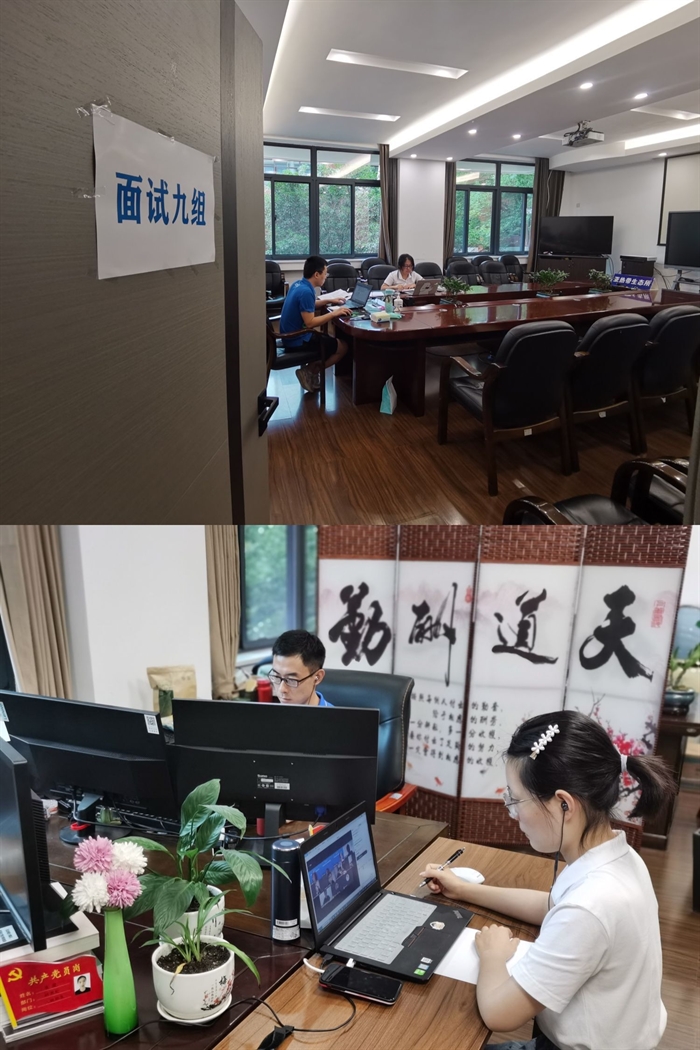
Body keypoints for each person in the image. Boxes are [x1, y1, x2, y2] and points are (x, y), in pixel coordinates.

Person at [419, 710, 675, 1050]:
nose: (513, 814)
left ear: (563, 804)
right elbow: (551, 905)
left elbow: (498, 1014)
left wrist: (494, 955)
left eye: (515, 799)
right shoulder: (616, 857)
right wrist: (465, 890)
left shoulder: (592, 904)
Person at [279, 256, 351, 392]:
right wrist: (334, 313)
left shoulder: (298, 284)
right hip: (297, 339)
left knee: (328, 340)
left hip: (289, 335)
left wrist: (330, 300)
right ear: (316, 274)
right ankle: (310, 371)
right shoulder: (306, 292)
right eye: (325, 273)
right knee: (343, 347)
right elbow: (310, 323)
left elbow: (309, 305)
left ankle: (310, 371)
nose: (326, 277)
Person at [269, 630, 333, 707]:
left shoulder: (333, 715)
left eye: (291, 680)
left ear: (317, 677)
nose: (281, 689)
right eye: (276, 676)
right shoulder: (269, 713)